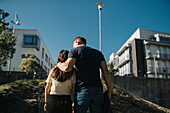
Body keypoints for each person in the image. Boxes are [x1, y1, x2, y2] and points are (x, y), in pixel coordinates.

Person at [57, 37, 111, 113]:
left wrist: (58, 64)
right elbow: (106, 72)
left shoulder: (75, 51)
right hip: (98, 91)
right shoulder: (98, 53)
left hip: (82, 90)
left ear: (77, 42)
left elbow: (67, 68)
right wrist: (109, 90)